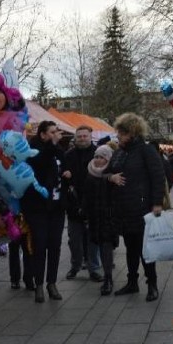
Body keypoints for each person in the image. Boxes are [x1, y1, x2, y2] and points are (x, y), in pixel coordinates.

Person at [104, 112, 166, 302]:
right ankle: (132, 282)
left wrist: (157, 203)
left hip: (142, 208)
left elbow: (158, 176)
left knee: (145, 249)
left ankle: (152, 284)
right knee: (130, 248)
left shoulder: (146, 150)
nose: (118, 137)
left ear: (132, 133)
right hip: (123, 209)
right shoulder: (119, 152)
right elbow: (108, 172)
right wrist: (110, 178)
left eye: (121, 134)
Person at [20, 120, 66, 303]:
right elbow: (38, 166)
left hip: (56, 207)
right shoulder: (33, 152)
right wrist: (52, 147)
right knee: (40, 246)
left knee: (54, 245)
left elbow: (64, 166)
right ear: (43, 135)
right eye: (52, 132)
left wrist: (66, 173)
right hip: (37, 207)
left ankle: (52, 283)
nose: (56, 134)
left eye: (56, 131)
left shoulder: (58, 151)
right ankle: (38, 283)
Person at [62, 125, 103, 282]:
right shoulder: (69, 155)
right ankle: (75, 266)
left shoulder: (97, 154)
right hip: (74, 203)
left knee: (93, 239)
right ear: (75, 138)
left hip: (93, 203)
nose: (82, 139)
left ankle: (93, 268)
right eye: (79, 136)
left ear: (90, 136)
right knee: (74, 240)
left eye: (85, 136)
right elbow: (63, 177)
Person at [84, 144, 119, 295]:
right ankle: (106, 275)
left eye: (102, 157)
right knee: (99, 243)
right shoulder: (90, 173)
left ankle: (108, 279)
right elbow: (87, 196)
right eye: (96, 156)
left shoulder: (113, 174)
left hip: (109, 216)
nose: (98, 160)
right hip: (94, 216)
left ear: (108, 159)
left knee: (106, 246)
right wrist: (85, 213)